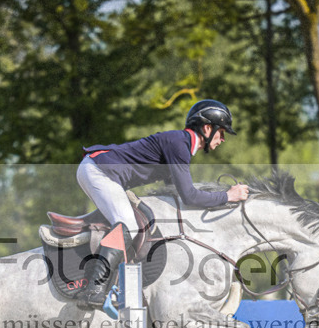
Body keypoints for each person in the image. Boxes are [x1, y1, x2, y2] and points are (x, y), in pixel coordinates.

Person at [76, 99, 250, 309]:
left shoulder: (181, 144)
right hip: (100, 171)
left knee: (133, 224)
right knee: (128, 226)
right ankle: (93, 289)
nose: (222, 139)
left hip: (101, 171)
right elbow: (189, 196)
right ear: (207, 128)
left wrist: (222, 198)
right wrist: (227, 196)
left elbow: (178, 193)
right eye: (221, 132)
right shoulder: (180, 144)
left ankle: (114, 283)